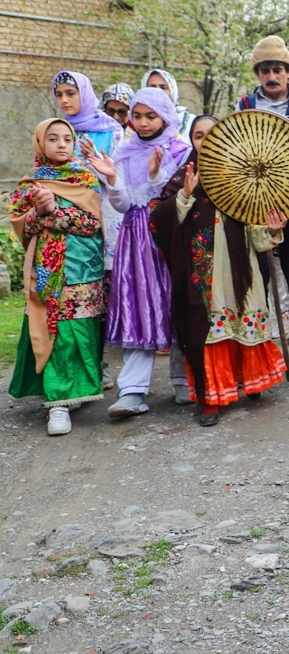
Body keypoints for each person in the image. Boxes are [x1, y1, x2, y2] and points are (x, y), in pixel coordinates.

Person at [152, 116, 289, 426]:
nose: (206, 140)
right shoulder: (183, 178)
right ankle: (211, 397)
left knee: (244, 322)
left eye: (213, 134)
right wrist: (185, 196)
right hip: (202, 280)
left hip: (241, 275)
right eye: (199, 136)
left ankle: (249, 380)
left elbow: (257, 237)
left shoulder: (244, 179)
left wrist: (269, 229)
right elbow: (159, 221)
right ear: (192, 142)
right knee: (207, 333)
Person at [86, 87, 193, 417]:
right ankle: (132, 390)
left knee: (178, 302)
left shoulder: (181, 150)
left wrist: (156, 176)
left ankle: (184, 381)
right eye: (137, 116)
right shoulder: (125, 151)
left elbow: (172, 197)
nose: (143, 123)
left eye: (151, 116)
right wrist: (113, 178)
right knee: (139, 305)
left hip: (172, 235)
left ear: (165, 116)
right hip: (136, 239)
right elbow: (125, 203)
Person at [8, 119, 107, 436]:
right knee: (57, 332)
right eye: (53, 138)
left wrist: (53, 211)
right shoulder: (30, 184)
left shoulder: (86, 179)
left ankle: (78, 387)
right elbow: (23, 230)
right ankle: (58, 403)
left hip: (84, 269)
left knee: (82, 330)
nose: (62, 144)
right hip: (49, 273)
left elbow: (91, 223)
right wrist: (37, 212)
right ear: (40, 144)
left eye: (68, 138)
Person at [235, 35, 289, 373]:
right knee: (258, 281)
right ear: (258, 74)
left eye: (278, 70)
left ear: (288, 72)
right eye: (265, 70)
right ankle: (262, 350)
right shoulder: (243, 107)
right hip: (255, 207)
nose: (272, 76)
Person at [52, 71, 125, 273]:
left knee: (107, 281)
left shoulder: (112, 130)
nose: (64, 100)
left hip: (104, 211)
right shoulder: (59, 130)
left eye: (70, 93)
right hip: (68, 214)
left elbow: (119, 177)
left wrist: (93, 159)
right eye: (59, 95)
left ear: (84, 93)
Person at [141, 69, 194, 140]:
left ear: (173, 92)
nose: (158, 91)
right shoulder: (138, 120)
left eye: (163, 87)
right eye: (152, 87)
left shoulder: (190, 122)